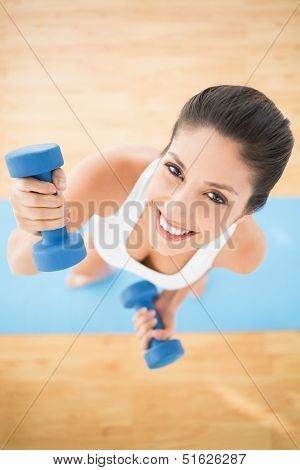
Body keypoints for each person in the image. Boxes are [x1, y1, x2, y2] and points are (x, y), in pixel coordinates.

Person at [7, 85, 294, 353]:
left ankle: (190, 277)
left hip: (191, 259)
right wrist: (35, 221)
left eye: (215, 197)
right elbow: (19, 263)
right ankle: (107, 264)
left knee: (191, 276)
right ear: (163, 154)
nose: (176, 208)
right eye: (174, 169)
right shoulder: (110, 173)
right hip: (108, 243)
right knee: (84, 268)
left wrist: (171, 301)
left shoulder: (246, 253)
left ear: (243, 215)